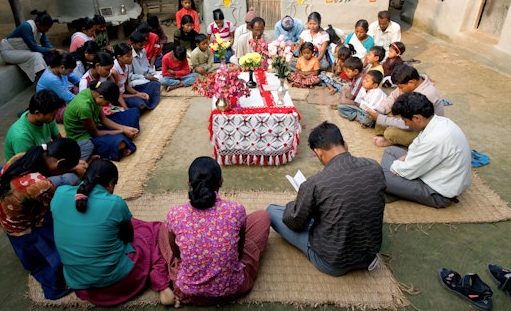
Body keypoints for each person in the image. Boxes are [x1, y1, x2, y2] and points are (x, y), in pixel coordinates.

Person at [266, 122, 385, 276]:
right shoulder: (375, 167)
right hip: (368, 256)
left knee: (272, 211)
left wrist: (295, 205)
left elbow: (295, 223)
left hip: (333, 262)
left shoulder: (316, 182)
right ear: (345, 145)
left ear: (319, 153)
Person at [51, 159, 174, 306]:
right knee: (151, 232)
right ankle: (160, 280)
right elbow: (129, 237)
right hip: (117, 283)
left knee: (126, 224)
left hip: (80, 285)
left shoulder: (59, 193)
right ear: (111, 183)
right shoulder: (115, 202)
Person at [159, 156, 271, 306]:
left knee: (163, 228)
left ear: (189, 182)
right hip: (233, 289)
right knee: (262, 217)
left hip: (189, 291)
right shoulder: (236, 211)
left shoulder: (175, 214)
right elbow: (239, 252)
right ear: (221, 182)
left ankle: (178, 285)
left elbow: (177, 254)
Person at [0, 138, 81, 300]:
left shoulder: (23, 157)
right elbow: (58, 210)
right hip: (24, 229)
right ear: (60, 163)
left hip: (8, 219)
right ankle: (57, 284)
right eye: (64, 170)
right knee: (59, 261)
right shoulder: (41, 185)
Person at [381, 92, 471, 208]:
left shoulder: (435, 139)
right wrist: (406, 158)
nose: (406, 125)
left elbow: (408, 171)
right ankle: (396, 188)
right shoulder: (439, 122)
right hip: (433, 172)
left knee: (380, 177)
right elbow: (416, 145)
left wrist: (396, 167)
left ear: (417, 118)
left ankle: (393, 188)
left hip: (438, 193)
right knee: (391, 151)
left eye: (405, 121)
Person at [4, 89, 92, 186]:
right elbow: (31, 170)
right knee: (70, 178)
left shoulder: (47, 120)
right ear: (37, 113)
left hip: (52, 159)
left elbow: (60, 142)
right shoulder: (21, 136)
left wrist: (71, 161)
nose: (54, 118)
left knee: (87, 144)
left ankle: (72, 169)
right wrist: (71, 167)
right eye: (52, 115)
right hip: (32, 174)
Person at [367, 64, 444, 147]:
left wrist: (381, 119)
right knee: (383, 114)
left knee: (390, 133)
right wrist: (379, 110)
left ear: (411, 83)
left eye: (401, 87)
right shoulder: (408, 84)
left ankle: (391, 139)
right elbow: (392, 98)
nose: (400, 90)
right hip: (409, 118)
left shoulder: (427, 94)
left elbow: (411, 123)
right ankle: (389, 134)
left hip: (421, 128)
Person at [64, 80, 140, 161]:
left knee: (133, 113)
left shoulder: (94, 93)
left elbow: (103, 119)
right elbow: (95, 133)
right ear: (101, 97)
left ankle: (125, 138)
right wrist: (122, 130)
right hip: (85, 137)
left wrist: (125, 128)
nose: (108, 105)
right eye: (108, 102)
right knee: (120, 143)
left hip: (97, 125)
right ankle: (122, 143)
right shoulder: (84, 107)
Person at [0, 10, 65, 82]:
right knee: (36, 56)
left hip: (22, 49)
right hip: (9, 51)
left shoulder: (41, 29)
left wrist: (55, 51)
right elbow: (33, 47)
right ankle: (44, 80)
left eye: (48, 29)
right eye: (46, 28)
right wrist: (52, 50)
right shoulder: (26, 27)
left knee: (48, 52)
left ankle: (55, 74)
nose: (47, 31)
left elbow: (46, 43)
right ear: (38, 24)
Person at [36, 52, 79, 122]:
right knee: (76, 113)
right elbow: (68, 97)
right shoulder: (51, 79)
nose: (71, 72)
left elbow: (76, 80)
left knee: (79, 90)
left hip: (61, 98)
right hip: (51, 107)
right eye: (70, 71)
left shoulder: (59, 70)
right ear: (62, 67)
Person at [111, 42, 153, 111]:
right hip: (118, 98)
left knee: (153, 85)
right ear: (119, 57)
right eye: (128, 56)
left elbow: (126, 85)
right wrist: (136, 95)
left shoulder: (126, 66)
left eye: (131, 55)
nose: (131, 58)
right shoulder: (114, 71)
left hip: (125, 93)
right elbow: (117, 95)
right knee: (140, 104)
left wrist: (138, 93)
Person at [127, 31, 161, 110]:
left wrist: (152, 72)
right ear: (133, 43)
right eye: (140, 45)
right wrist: (145, 77)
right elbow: (130, 75)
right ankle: (148, 99)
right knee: (153, 83)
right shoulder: (129, 55)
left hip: (146, 76)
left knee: (160, 77)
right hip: (136, 80)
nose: (142, 47)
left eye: (143, 44)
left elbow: (147, 65)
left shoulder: (143, 51)